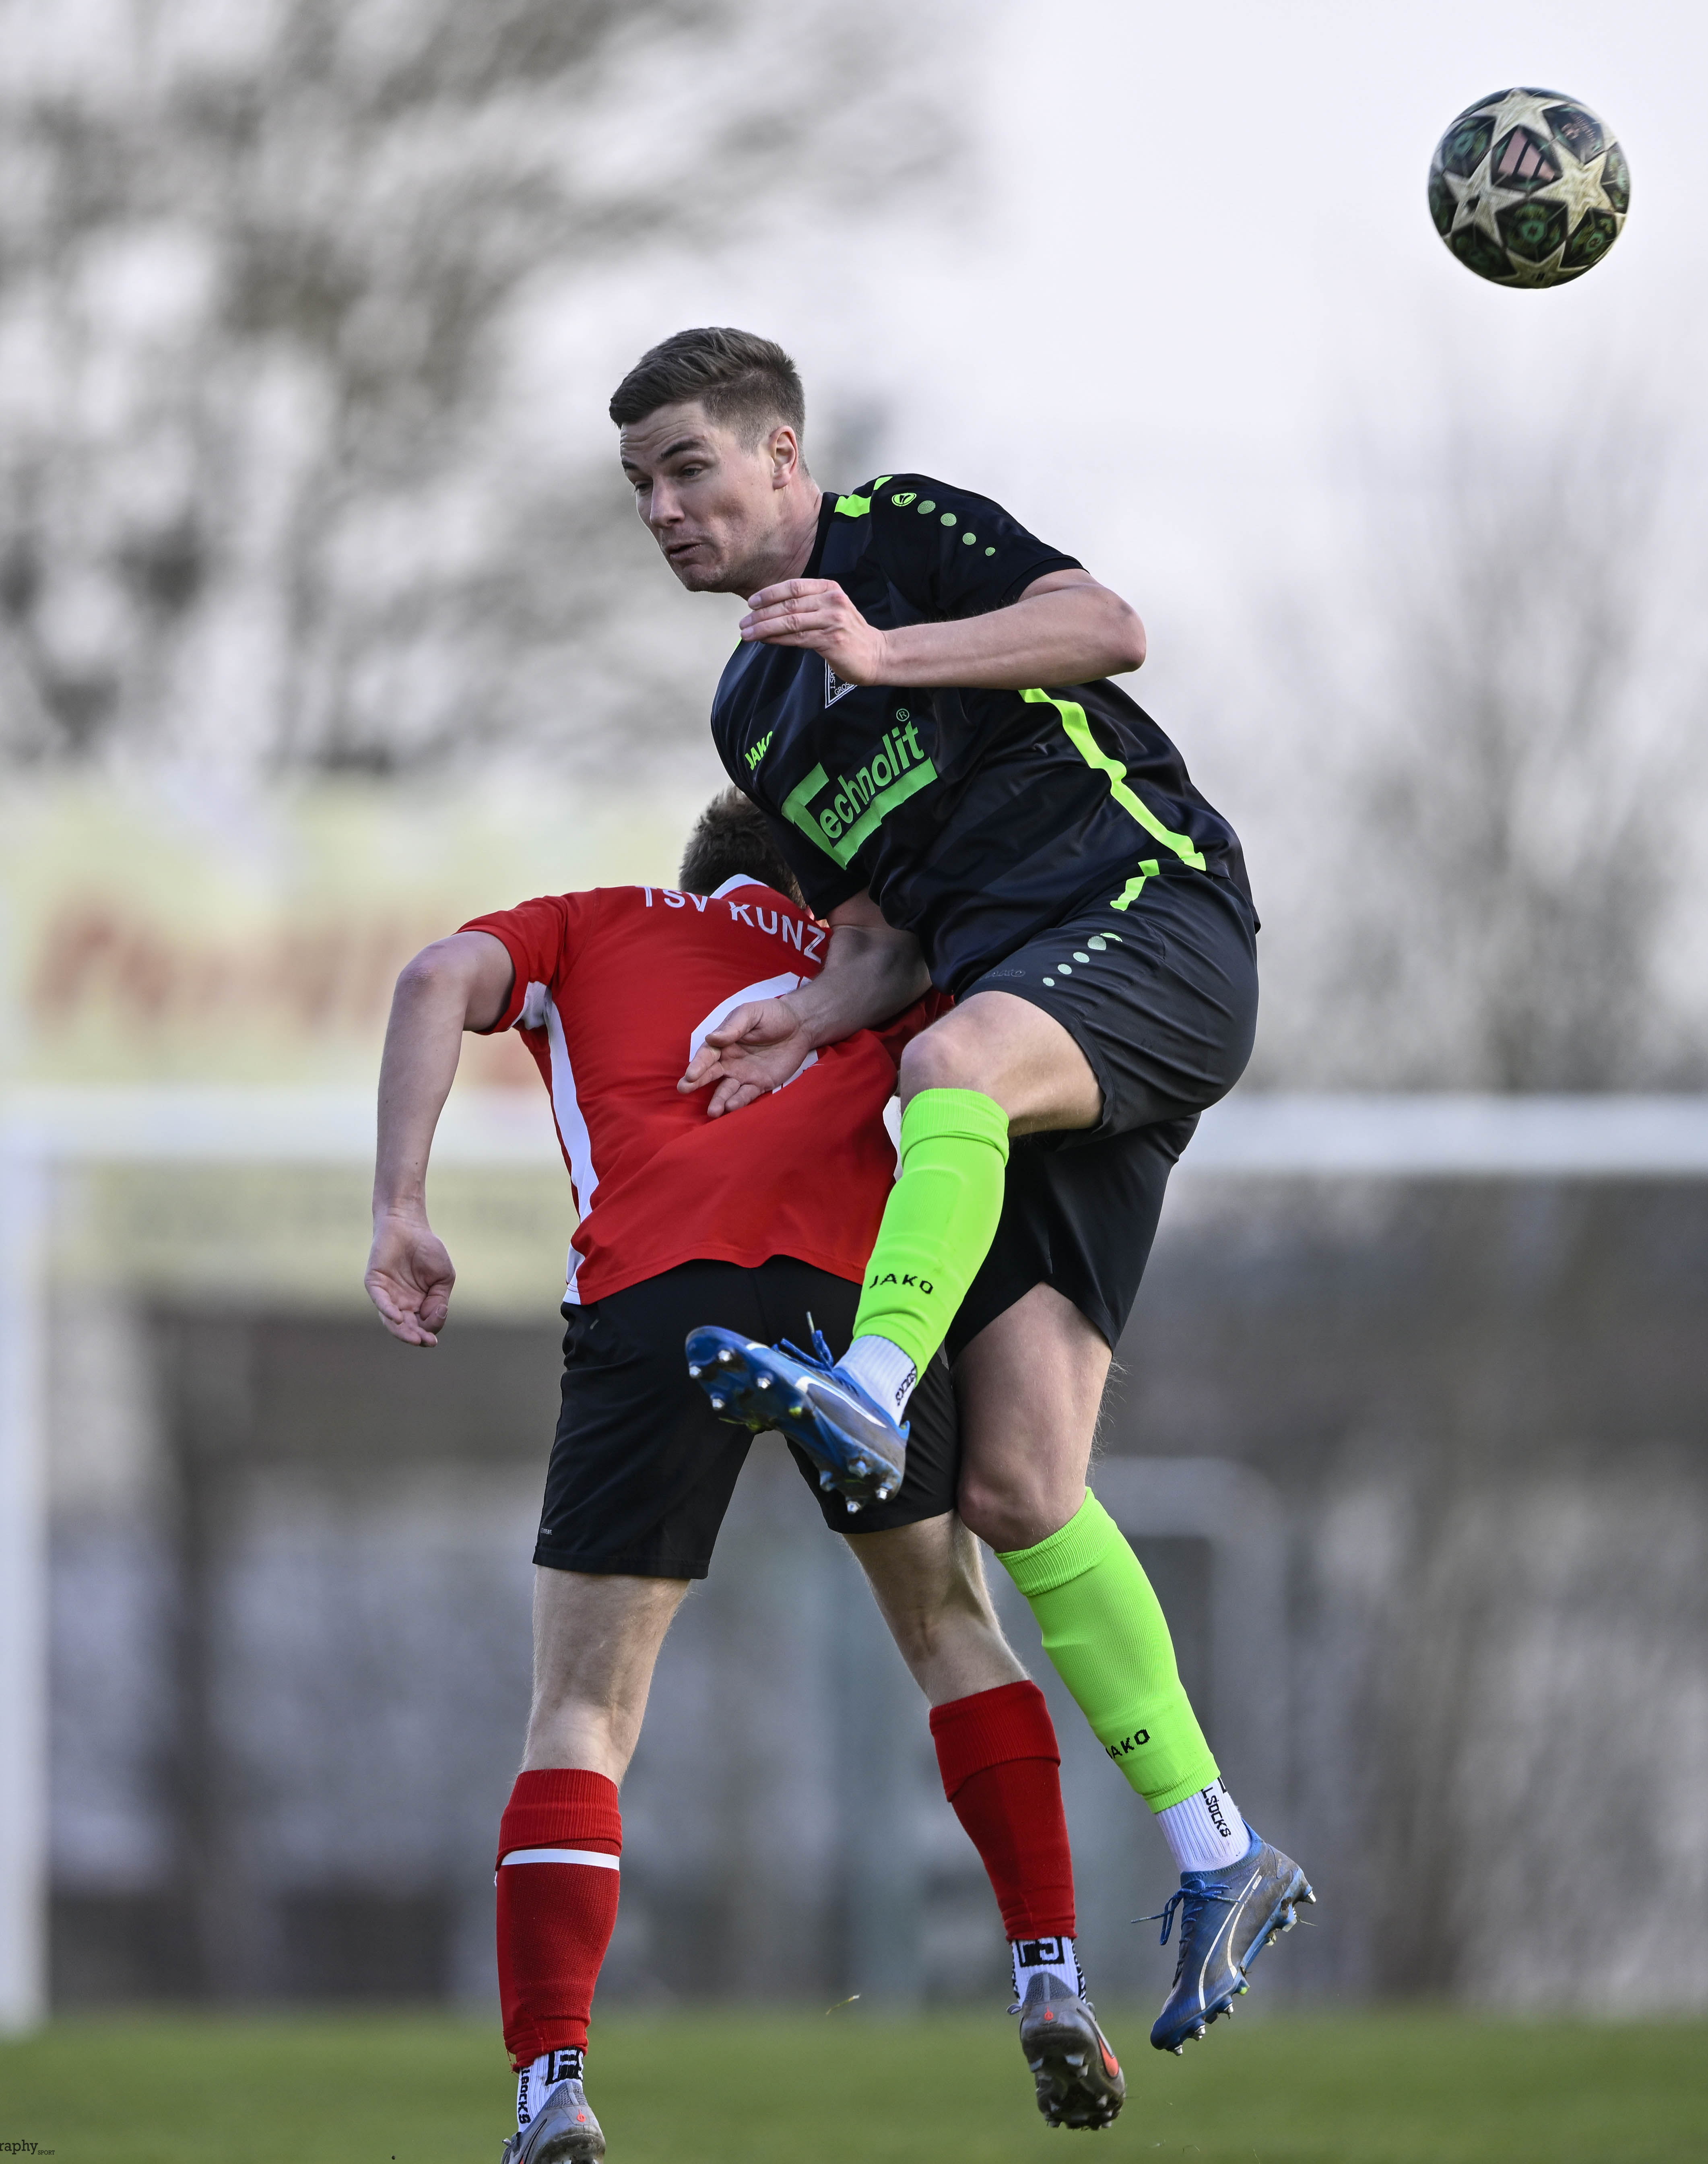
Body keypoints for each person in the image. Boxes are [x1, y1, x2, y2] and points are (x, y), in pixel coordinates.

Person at [609, 326, 1311, 2055]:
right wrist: (804, 1010)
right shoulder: (750, 710)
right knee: (1016, 1484)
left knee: (952, 1066)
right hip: (1023, 1021)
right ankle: (1219, 1846)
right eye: (640, 486)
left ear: (783, 454)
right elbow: (885, 932)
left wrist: (885, 644)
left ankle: (870, 1373)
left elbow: (1107, 625)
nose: (665, 507)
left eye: (690, 466)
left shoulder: (898, 535)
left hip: (1149, 915)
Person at [364, 793, 1128, 2160]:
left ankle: (553, 2086)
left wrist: (400, 1209)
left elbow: (431, 978)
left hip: (658, 1287)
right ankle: (1051, 1972)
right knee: (951, 1625)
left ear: (701, 875)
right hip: (856, 1301)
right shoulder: (877, 969)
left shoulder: (590, 924)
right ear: (823, 887)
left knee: (583, 1710)